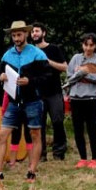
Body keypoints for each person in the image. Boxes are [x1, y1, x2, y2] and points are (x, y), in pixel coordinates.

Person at [0, 21, 51, 183]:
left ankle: (32, 171)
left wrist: (29, 80)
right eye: (14, 35)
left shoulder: (38, 54)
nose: (16, 38)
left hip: (33, 101)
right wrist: (1, 76)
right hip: (14, 102)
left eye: (19, 35)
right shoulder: (7, 54)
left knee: (35, 134)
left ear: (26, 34)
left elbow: (47, 77)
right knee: (2, 135)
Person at [66, 33, 96, 168]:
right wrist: (80, 74)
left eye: (91, 45)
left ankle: (94, 159)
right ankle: (82, 158)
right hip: (76, 98)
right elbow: (70, 78)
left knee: (92, 128)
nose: (88, 48)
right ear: (82, 45)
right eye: (86, 45)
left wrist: (85, 74)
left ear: (95, 45)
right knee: (78, 129)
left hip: (92, 98)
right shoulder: (76, 58)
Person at [31, 22, 69, 160]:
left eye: (37, 31)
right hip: (36, 94)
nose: (34, 34)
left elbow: (65, 67)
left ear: (44, 33)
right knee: (38, 124)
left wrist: (47, 61)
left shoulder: (53, 48)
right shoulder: (29, 50)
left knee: (57, 121)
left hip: (54, 92)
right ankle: (40, 154)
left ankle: (59, 152)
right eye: (32, 32)